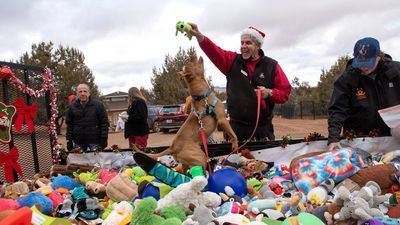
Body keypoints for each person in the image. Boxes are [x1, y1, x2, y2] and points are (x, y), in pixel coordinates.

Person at [188, 23, 292, 141]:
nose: (243, 46)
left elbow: (285, 93)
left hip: (262, 131)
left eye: (248, 43)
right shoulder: (232, 61)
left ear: (258, 46)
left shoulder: (272, 66)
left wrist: (270, 93)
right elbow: (213, 50)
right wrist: (199, 36)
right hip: (235, 130)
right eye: (242, 43)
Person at [328, 37, 400, 151]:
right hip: (358, 138)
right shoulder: (347, 79)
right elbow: (337, 109)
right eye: (361, 63)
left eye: (368, 63)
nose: (364, 67)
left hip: (392, 136)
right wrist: (334, 138)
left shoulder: (396, 71)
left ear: (379, 56)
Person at [66, 83, 109, 152]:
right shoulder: (71, 108)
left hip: (95, 141)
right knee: (79, 162)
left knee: (96, 162)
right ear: (77, 94)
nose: (83, 93)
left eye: (85, 91)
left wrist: (104, 139)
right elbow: (69, 125)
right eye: (80, 91)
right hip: (78, 142)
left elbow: (104, 123)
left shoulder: (98, 105)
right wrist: (69, 141)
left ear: (89, 93)